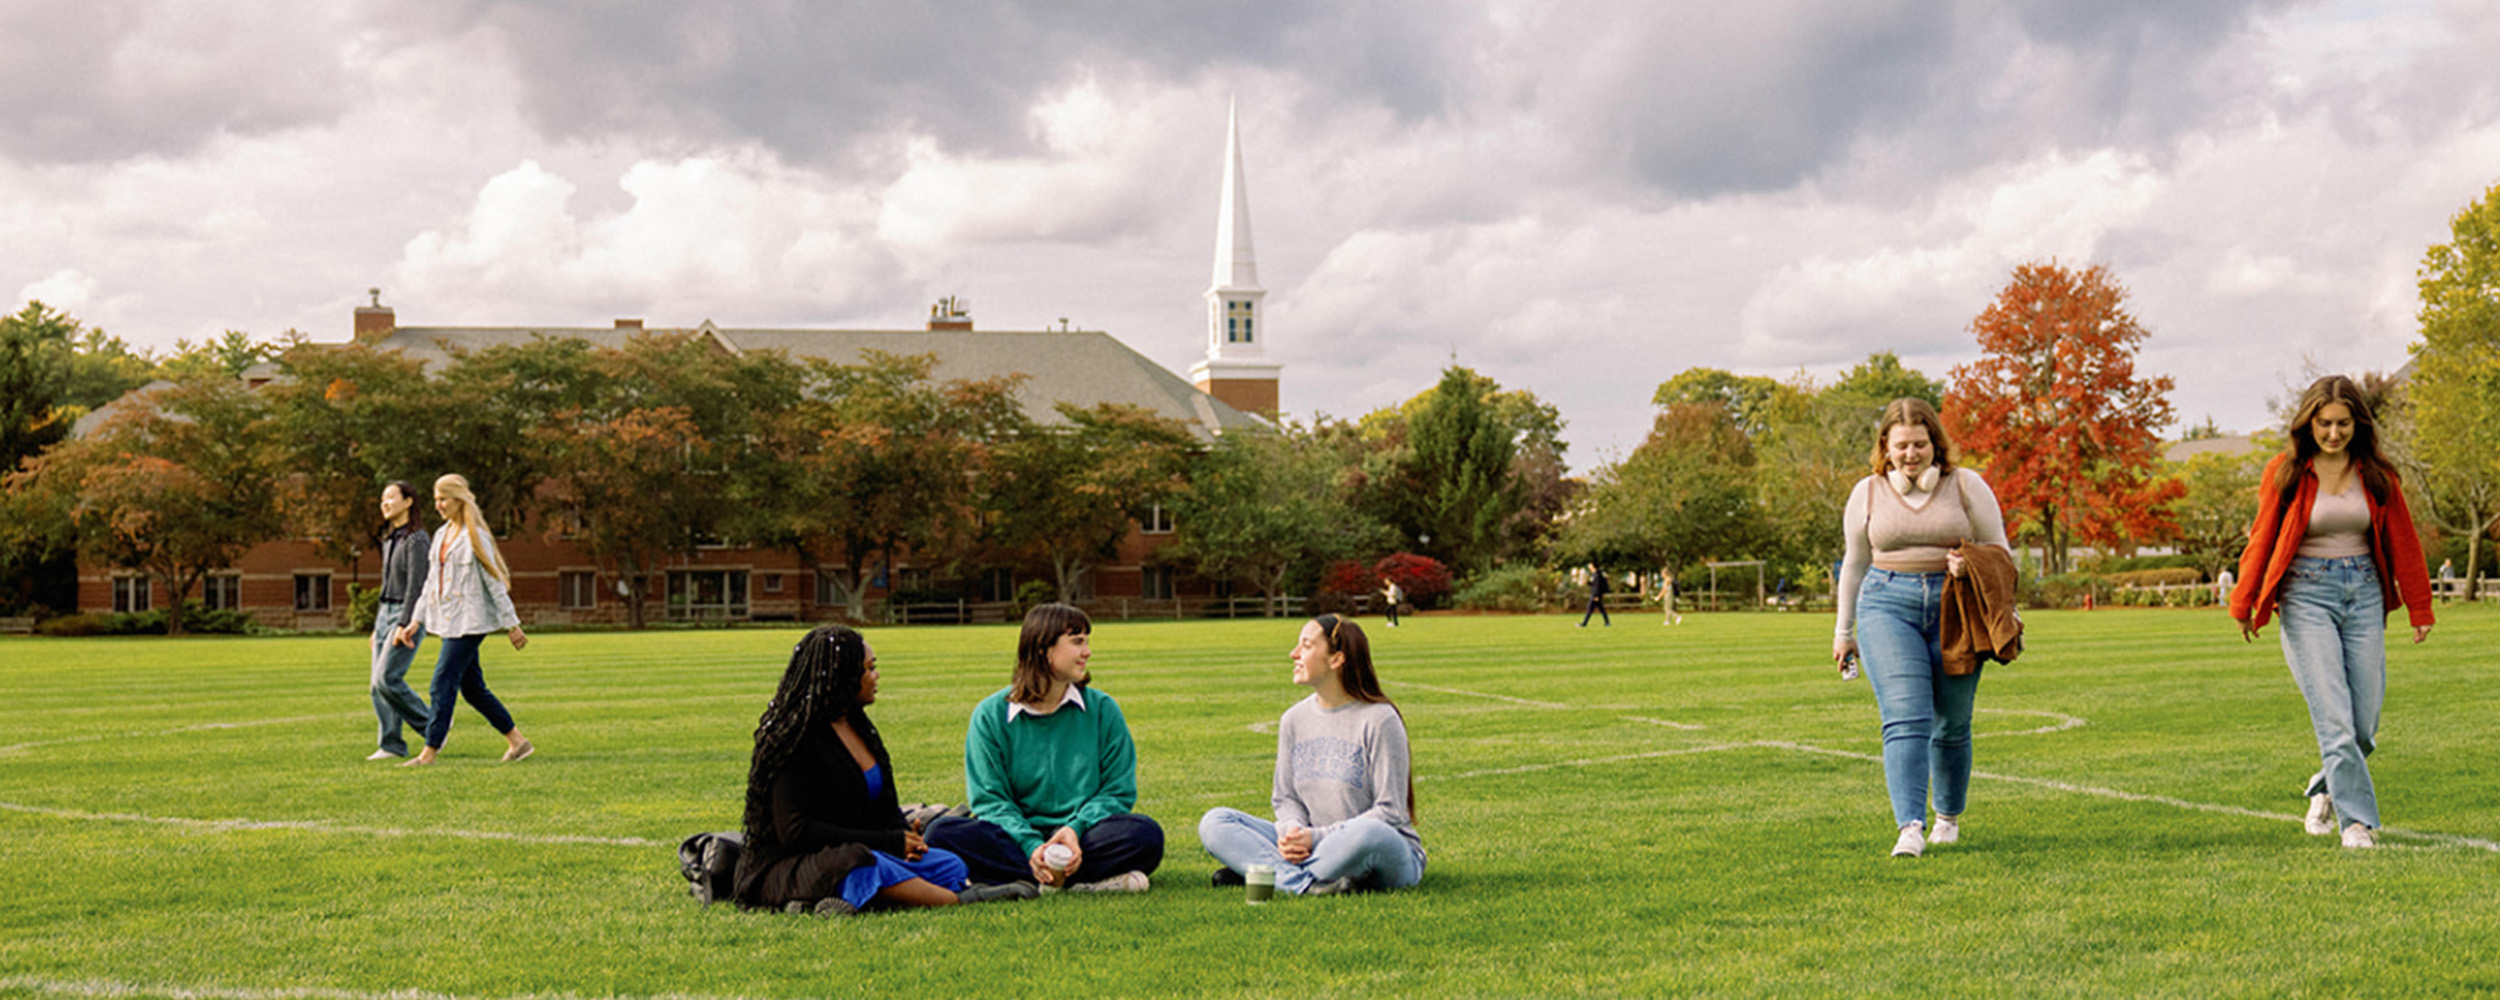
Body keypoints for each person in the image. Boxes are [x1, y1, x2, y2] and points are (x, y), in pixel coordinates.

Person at [2229, 375, 2434, 850]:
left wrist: (2420, 605)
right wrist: (2244, 602)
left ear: (2357, 424)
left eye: (2343, 424)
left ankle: (2324, 788)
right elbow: (2261, 538)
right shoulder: (2286, 472)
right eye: (2324, 423)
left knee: (2363, 727)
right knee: (2336, 722)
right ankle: (2355, 824)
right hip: (2306, 597)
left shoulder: (2377, 474)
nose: (2334, 433)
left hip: (2363, 594)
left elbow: (2403, 539)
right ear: (2309, 423)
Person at [730, 625, 1037, 915]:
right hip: (791, 863)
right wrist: (887, 842)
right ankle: (960, 899)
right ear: (843, 676)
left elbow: (877, 809)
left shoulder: (860, 728)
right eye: (868, 668)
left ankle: (836, 900)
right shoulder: (795, 740)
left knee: (948, 864)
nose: (876, 676)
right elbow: (795, 832)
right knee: (863, 864)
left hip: (858, 850)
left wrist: (903, 836)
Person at [1832, 398, 2011, 858]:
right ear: (1885, 449)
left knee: (1952, 723)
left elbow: (2000, 551)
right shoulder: (1867, 493)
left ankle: (1947, 817)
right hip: (1886, 605)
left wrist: (1970, 565)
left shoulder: (1967, 486)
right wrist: (1843, 630)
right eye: (1901, 446)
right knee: (1906, 716)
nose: (1911, 454)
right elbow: (1854, 564)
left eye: (1920, 444)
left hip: (1956, 611)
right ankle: (1909, 826)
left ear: (1935, 444)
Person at [924, 603, 1163, 891]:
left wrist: (1074, 829)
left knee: (1145, 834)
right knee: (941, 833)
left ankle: (1030, 879)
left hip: (1085, 835)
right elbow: (990, 800)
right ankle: (1078, 882)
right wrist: (1031, 845)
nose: (1087, 652)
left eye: (1087, 641)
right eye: (1077, 642)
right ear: (1044, 649)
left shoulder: (1102, 709)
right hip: (1014, 837)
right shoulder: (990, 715)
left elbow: (1117, 790)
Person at [1200, 614, 1424, 896]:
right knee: (1216, 822)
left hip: (1380, 849)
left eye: (1306, 645)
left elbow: (1390, 812)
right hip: (1311, 846)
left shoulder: (1379, 719)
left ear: (1336, 660)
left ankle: (1263, 873)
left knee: (1368, 833)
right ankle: (1303, 883)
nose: (1293, 654)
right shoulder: (1293, 719)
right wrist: (1292, 832)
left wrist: (1314, 837)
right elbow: (1286, 799)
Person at [392, 474, 536, 767]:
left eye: (443, 499)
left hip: (470, 622)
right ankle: (517, 742)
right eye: (435, 500)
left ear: (459, 499)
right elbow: (431, 582)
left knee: (442, 681)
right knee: (472, 688)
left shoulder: (475, 536)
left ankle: (428, 754)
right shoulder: (442, 536)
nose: (438, 505)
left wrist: (512, 624)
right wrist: (415, 621)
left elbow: (495, 582)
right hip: (449, 621)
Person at [365, 481, 434, 760]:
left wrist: (405, 623)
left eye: (391, 497)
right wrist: (376, 627)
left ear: (408, 502)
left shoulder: (417, 539)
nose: (385, 503)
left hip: (406, 615)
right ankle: (391, 746)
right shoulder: (390, 538)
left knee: (387, 679)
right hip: (384, 614)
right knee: (376, 685)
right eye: (383, 498)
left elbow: (416, 585)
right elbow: (387, 584)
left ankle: (433, 725)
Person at [1578, 562, 1611, 627]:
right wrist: (1587, 582)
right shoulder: (1594, 574)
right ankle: (1607, 623)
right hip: (1595, 594)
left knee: (1590, 608)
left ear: (1593, 566)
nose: (1589, 567)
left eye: (1590, 566)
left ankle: (1584, 624)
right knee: (1600, 609)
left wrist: (1596, 596)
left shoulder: (1597, 575)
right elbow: (1593, 584)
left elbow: (1597, 586)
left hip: (1596, 595)